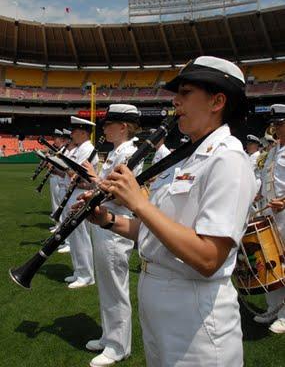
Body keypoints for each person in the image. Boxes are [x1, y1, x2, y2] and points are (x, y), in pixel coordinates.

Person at [77, 56, 257, 366]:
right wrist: (108, 220)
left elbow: (208, 258)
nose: (176, 102)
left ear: (217, 101)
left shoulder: (228, 161)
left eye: (185, 93)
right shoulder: (187, 158)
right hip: (163, 312)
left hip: (195, 323)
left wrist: (140, 204)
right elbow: (157, 233)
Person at [84, 104, 143, 367]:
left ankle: (119, 346)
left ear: (123, 127)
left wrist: (95, 179)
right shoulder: (117, 152)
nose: (104, 128)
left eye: (108, 125)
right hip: (105, 223)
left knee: (115, 288)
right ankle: (109, 336)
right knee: (106, 286)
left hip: (116, 227)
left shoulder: (131, 153)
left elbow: (121, 193)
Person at [253, 104, 285, 334]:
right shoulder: (274, 150)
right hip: (268, 212)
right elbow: (268, 178)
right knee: (270, 261)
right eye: (275, 124)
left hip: (284, 215)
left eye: (280, 124)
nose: (276, 128)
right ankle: (273, 307)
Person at [65, 116, 98, 289]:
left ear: (83, 132)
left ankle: (86, 275)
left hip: (81, 193)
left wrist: (67, 170)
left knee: (81, 236)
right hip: (75, 193)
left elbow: (76, 173)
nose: (72, 134)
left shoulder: (87, 149)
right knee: (75, 236)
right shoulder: (80, 148)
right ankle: (79, 271)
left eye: (75, 131)